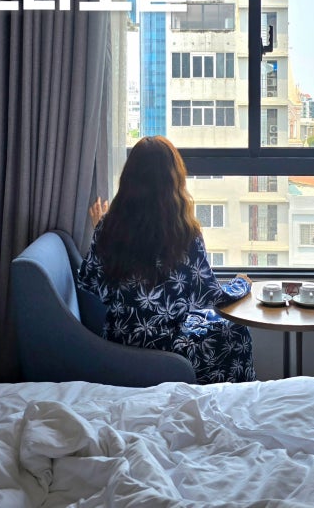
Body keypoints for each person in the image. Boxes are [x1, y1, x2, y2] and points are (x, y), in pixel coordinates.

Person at [78, 136, 256, 384]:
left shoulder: (109, 227)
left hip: (118, 345)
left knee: (217, 326)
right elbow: (209, 297)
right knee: (236, 332)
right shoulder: (184, 233)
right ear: (173, 180)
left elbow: (88, 283)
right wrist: (242, 283)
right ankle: (228, 400)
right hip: (167, 346)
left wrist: (100, 231)